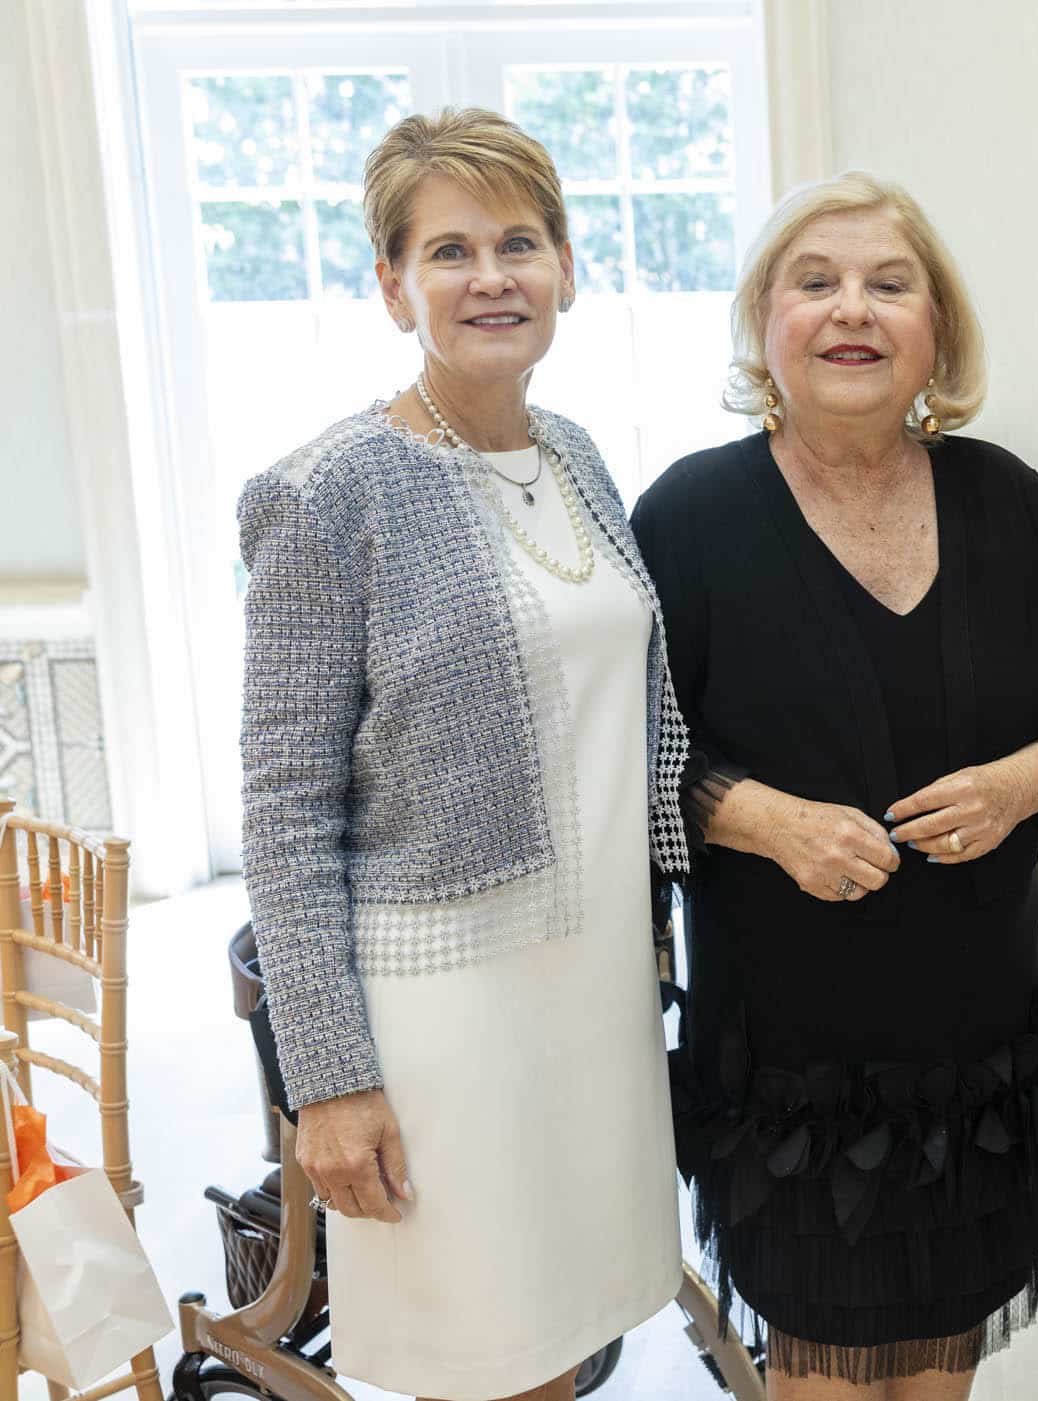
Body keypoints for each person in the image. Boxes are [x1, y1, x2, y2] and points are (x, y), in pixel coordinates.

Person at [630, 171, 1038, 1400]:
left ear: (936, 329)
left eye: (890, 284)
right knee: (823, 1366)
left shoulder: (1006, 499)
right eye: (817, 282)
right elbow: (623, 753)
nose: (854, 309)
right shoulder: (688, 516)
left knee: (941, 1366)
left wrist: (1023, 782)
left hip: (972, 1047)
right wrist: (760, 819)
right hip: (793, 1060)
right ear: (765, 324)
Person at [237, 108, 686, 1401]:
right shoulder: (328, 492)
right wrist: (329, 1083)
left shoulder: (576, 457)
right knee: (490, 1362)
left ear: (566, 269)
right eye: (449, 251)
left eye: (519, 243)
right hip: (445, 1016)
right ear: (393, 287)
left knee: (570, 1346)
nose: (492, 277)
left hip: (592, 988)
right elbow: (285, 810)